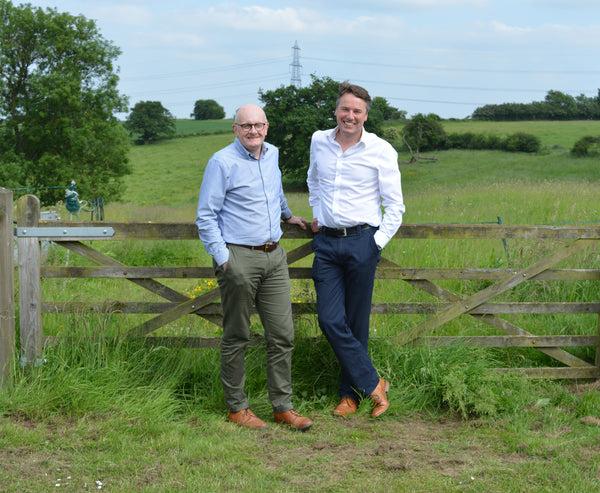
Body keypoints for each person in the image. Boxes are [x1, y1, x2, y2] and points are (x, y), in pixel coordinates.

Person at [196, 104, 313, 431]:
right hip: (239, 257)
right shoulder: (222, 162)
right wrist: (224, 259)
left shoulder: (272, 153)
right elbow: (205, 216)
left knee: (283, 335)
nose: (252, 131)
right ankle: (237, 408)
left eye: (258, 125)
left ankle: (283, 407)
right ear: (235, 129)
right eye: (245, 126)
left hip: (275, 257)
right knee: (237, 334)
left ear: (266, 127)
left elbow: (273, 191)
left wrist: (288, 215)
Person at [307, 82, 405, 418]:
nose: (350, 116)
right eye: (345, 109)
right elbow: (313, 180)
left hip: (362, 241)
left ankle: (350, 396)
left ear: (365, 115)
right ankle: (375, 384)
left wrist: (375, 244)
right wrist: (318, 214)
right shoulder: (319, 140)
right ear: (336, 110)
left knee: (356, 321)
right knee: (330, 319)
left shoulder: (380, 150)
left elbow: (395, 206)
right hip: (327, 243)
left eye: (357, 111)